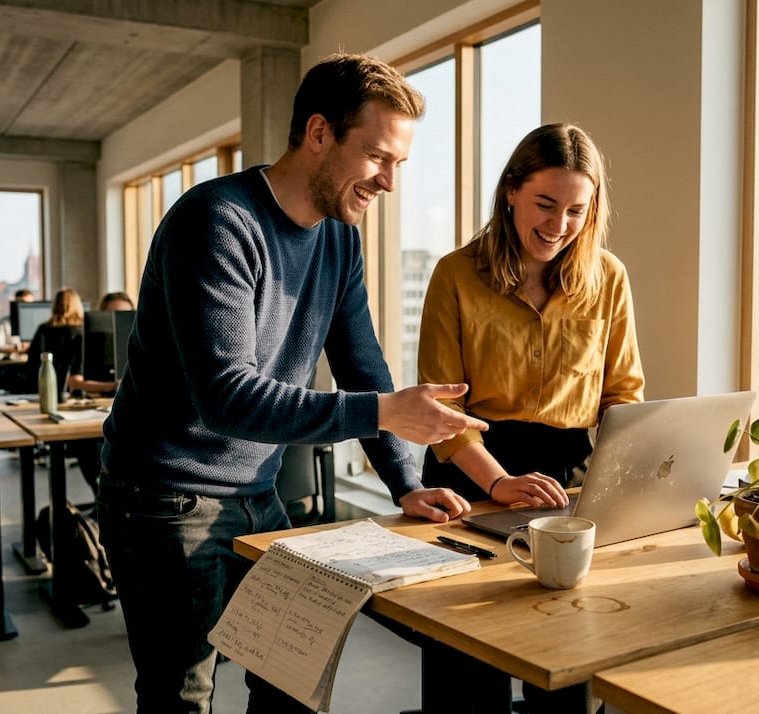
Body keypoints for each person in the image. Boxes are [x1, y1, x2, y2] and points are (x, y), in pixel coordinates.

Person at [98, 52, 488, 713]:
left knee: (291, 677)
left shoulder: (339, 240)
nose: (390, 182)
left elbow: (363, 364)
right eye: (378, 157)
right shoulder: (217, 220)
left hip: (258, 493)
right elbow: (226, 397)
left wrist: (405, 483)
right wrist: (384, 412)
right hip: (164, 498)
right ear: (318, 133)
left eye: (399, 163)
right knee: (181, 697)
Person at [417, 124, 645, 712]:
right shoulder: (456, 274)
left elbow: (623, 394)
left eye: (576, 210)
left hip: (568, 482)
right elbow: (444, 409)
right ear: (511, 191)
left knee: (566, 672)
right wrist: (498, 481)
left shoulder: (609, 277)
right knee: (467, 678)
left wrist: (628, 475)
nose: (558, 224)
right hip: (471, 477)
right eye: (545, 204)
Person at [25, 288, 116, 492]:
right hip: (75, 396)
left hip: (48, 397)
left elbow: (31, 366)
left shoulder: (43, 329)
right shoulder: (82, 331)